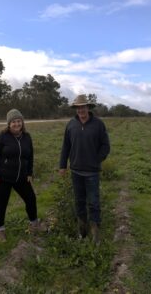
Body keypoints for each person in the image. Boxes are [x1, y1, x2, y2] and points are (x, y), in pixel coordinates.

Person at [59, 94, 110, 245]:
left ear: (88, 107)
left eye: (83, 107)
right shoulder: (71, 125)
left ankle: (95, 230)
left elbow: (105, 146)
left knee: (93, 202)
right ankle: (82, 229)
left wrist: (96, 160)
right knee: (79, 201)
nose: (81, 110)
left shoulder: (98, 124)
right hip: (76, 171)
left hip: (92, 172)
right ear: (76, 109)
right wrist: (62, 165)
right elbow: (65, 147)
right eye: (78, 107)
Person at [0, 109, 39, 241]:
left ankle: (34, 223)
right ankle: (0, 230)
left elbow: (31, 155)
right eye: (13, 122)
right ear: (9, 123)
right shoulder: (2, 136)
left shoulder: (27, 137)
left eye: (19, 121)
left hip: (22, 177)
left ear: (22, 122)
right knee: (1, 204)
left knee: (31, 199)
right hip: (4, 178)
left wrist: (29, 172)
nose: (17, 124)